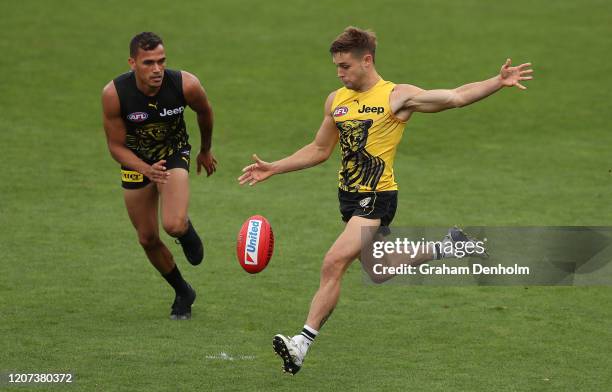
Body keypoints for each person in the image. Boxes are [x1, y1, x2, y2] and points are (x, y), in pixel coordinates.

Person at [238, 26, 533, 374]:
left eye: (345, 66)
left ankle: (301, 343)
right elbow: (320, 149)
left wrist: (496, 82)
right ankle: (450, 246)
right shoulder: (336, 100)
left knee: (333, 263)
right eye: (336, 66)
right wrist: (275, 167)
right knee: (380, 269)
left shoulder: (397, 97)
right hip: (348, 198)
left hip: (377, 196)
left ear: (367, 60)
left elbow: (454, 97)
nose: (339, 72)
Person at [102, 32, 217, 320]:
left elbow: (205, 112)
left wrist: (204, 150)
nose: (156, 69)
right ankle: (182, 291)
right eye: (148, 62)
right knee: (147, 238)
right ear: (132, 63)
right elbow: (116, 146)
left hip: (173, 153)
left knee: (173, 225)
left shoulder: (185, 84)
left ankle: (185, 230)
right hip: (136, 161)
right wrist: (143, 168)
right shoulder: (114, 94)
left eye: (161, 61)